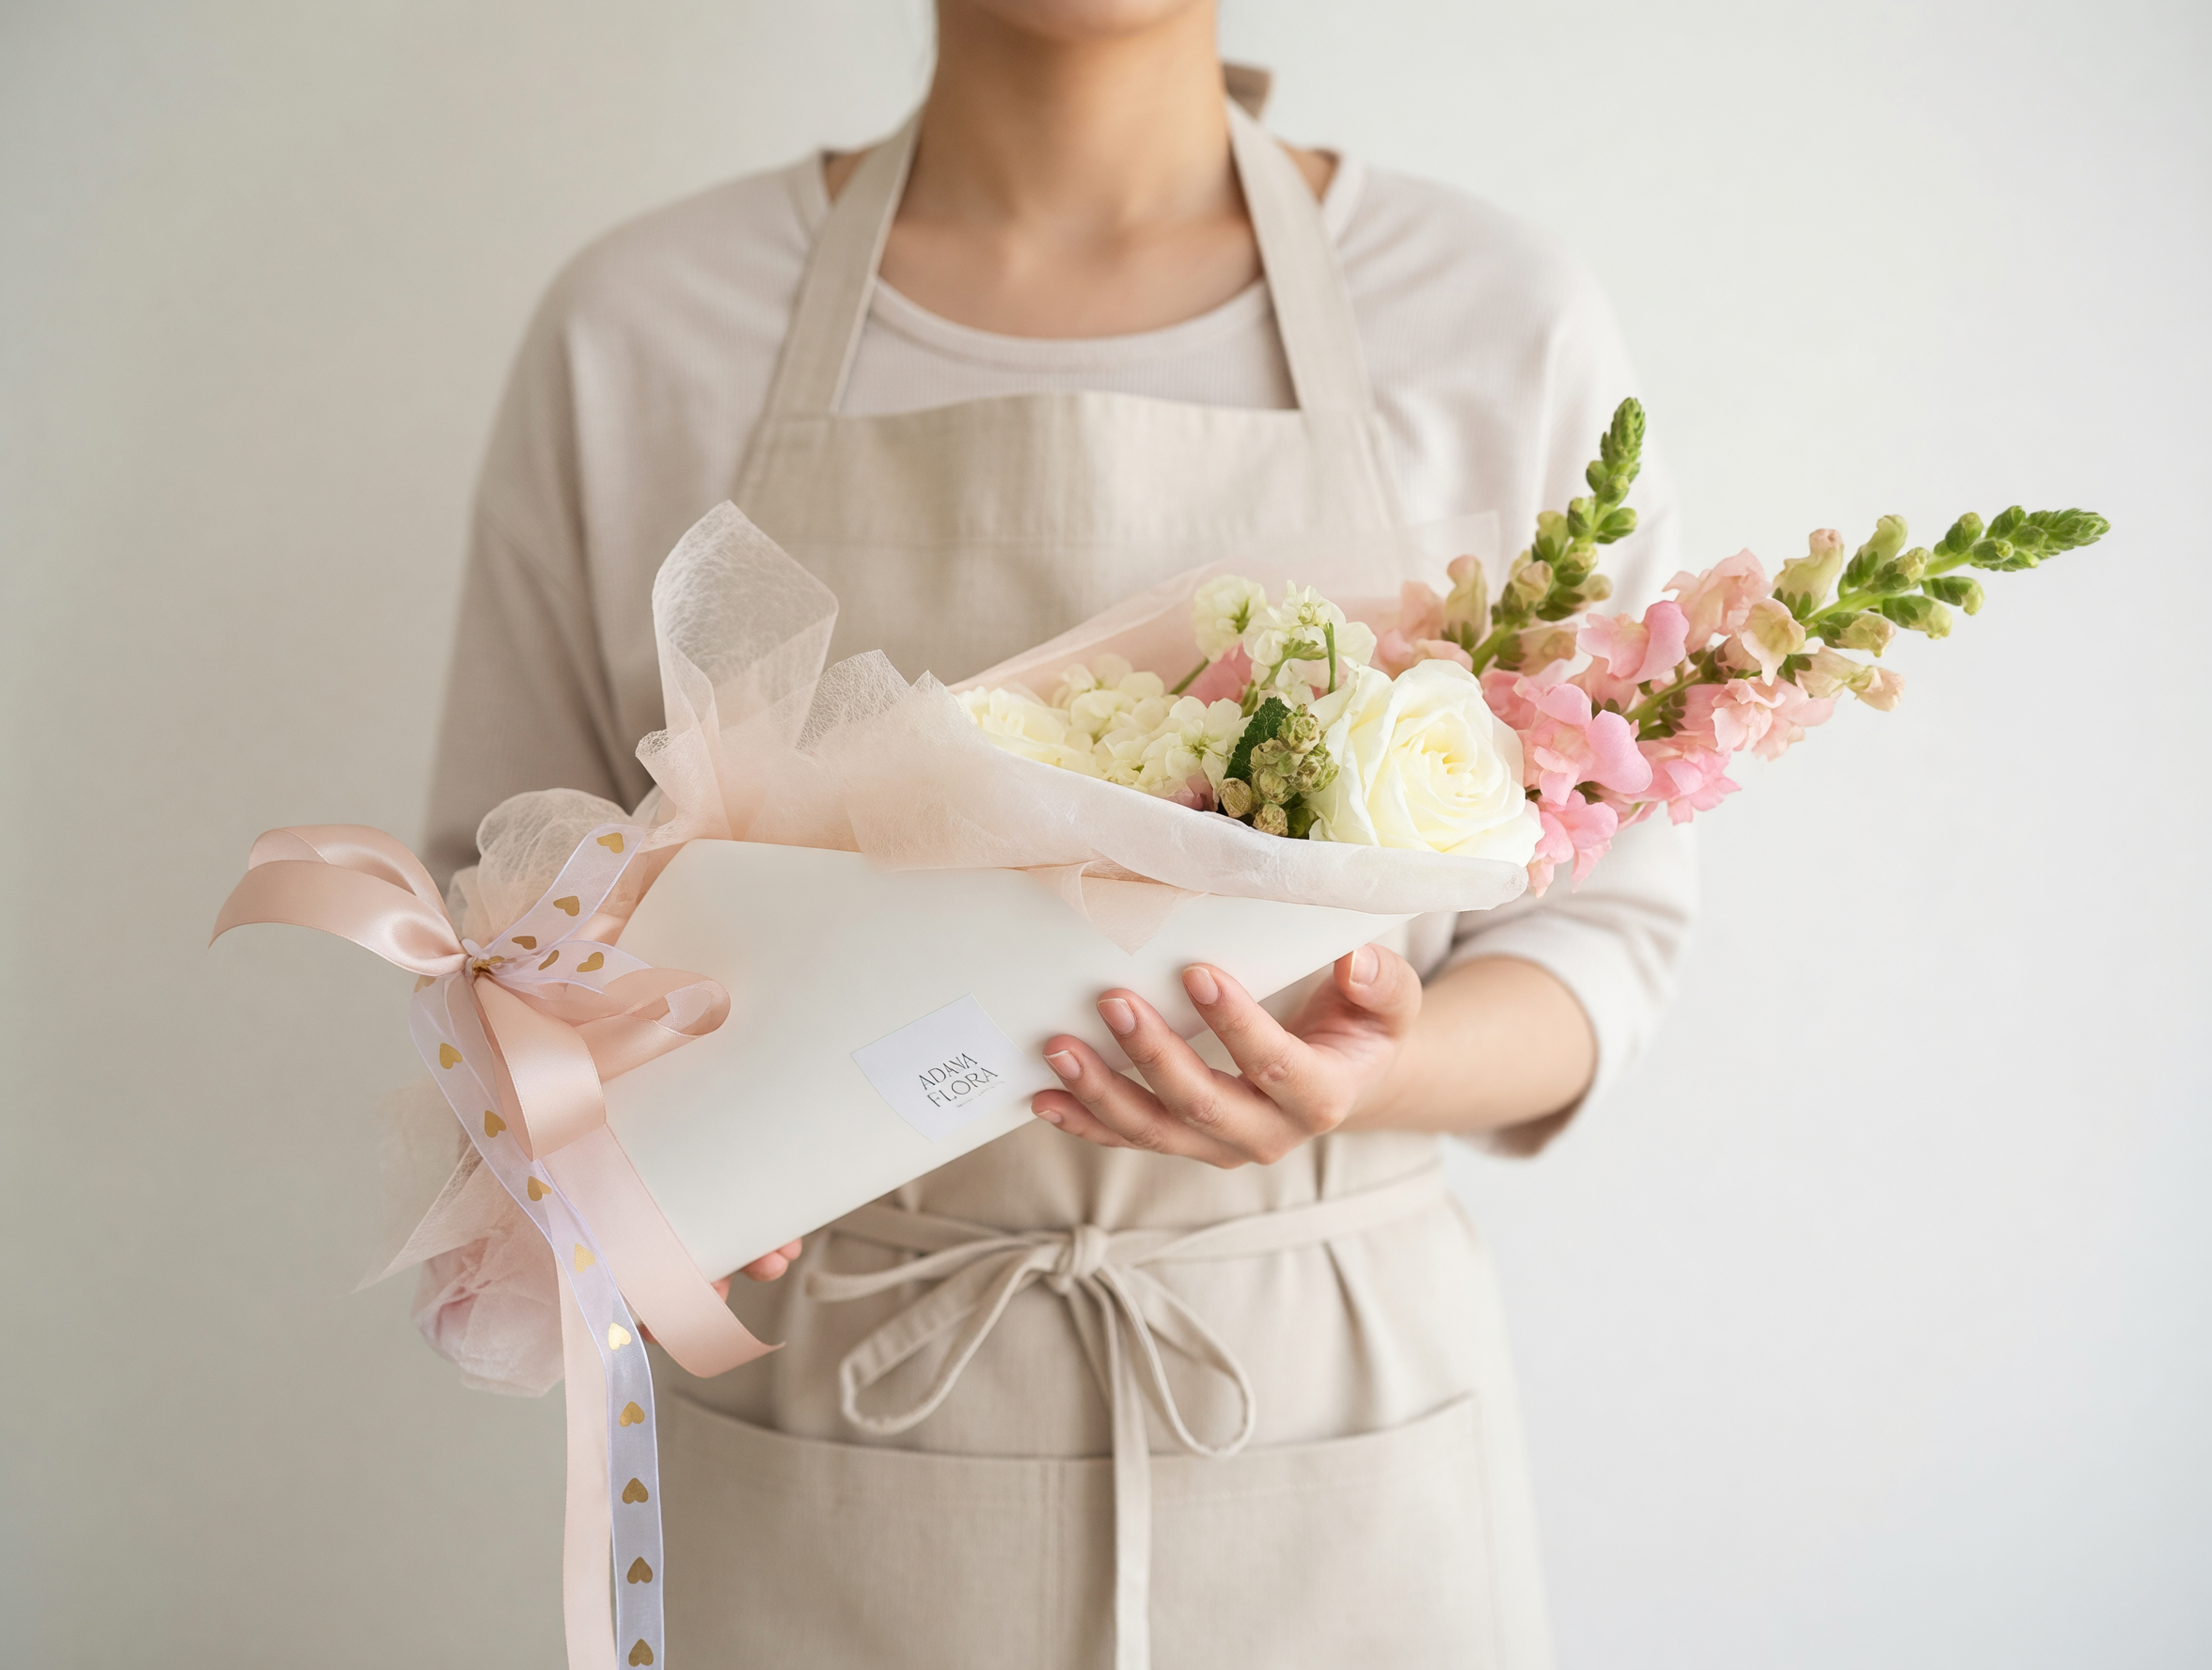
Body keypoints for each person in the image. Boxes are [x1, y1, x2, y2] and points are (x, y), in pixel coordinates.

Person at [425, 3, 1694, 1664]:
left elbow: (1608, 927)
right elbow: (505, 912)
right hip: (817, 1424)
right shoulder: (645, 325)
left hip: (1323, 1412)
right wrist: (655, 1142)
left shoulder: (1493, 315)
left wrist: (1375, 1070)